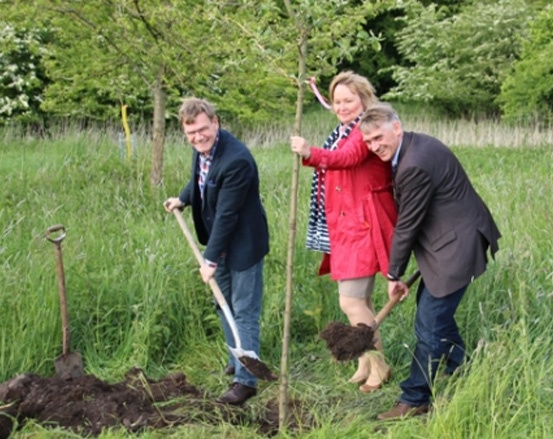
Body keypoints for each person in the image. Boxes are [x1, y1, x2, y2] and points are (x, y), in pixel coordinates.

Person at [358, 102, 501, 421]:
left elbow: (408, 223)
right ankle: (464, 365)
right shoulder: (411, 147)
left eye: (379, 137)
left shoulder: (415, 164)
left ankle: (415, 398)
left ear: (397, 127)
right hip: (447, 241)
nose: (375, 146)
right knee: (435, 315)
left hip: (456, 246)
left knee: (429, 323)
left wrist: (394, 272)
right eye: (369, 142)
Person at [290, 71, 397, 393]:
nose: (342, 106)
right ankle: (365, 362)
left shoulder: (365, 131)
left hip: (364, 223)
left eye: (348, 100)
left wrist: (310, 152)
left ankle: (379, 365)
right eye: (337, 101)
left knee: (351, 302)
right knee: (359, 300)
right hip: (348, 224)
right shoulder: (342, 131)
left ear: (363, 99)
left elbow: (347, 159)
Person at [164, 97, 269, 406]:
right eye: (191, 133)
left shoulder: (237, 160)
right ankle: (236, 359)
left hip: (243, 245)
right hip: (219, 243)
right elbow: (201, 181)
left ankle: (247, 381)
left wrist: (209, 259)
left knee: (243, 311)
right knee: (223, 306)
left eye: (203, 130)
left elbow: (227, 215)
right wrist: (182, 198)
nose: (198, 137)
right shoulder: (204, 150)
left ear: (216, 123)